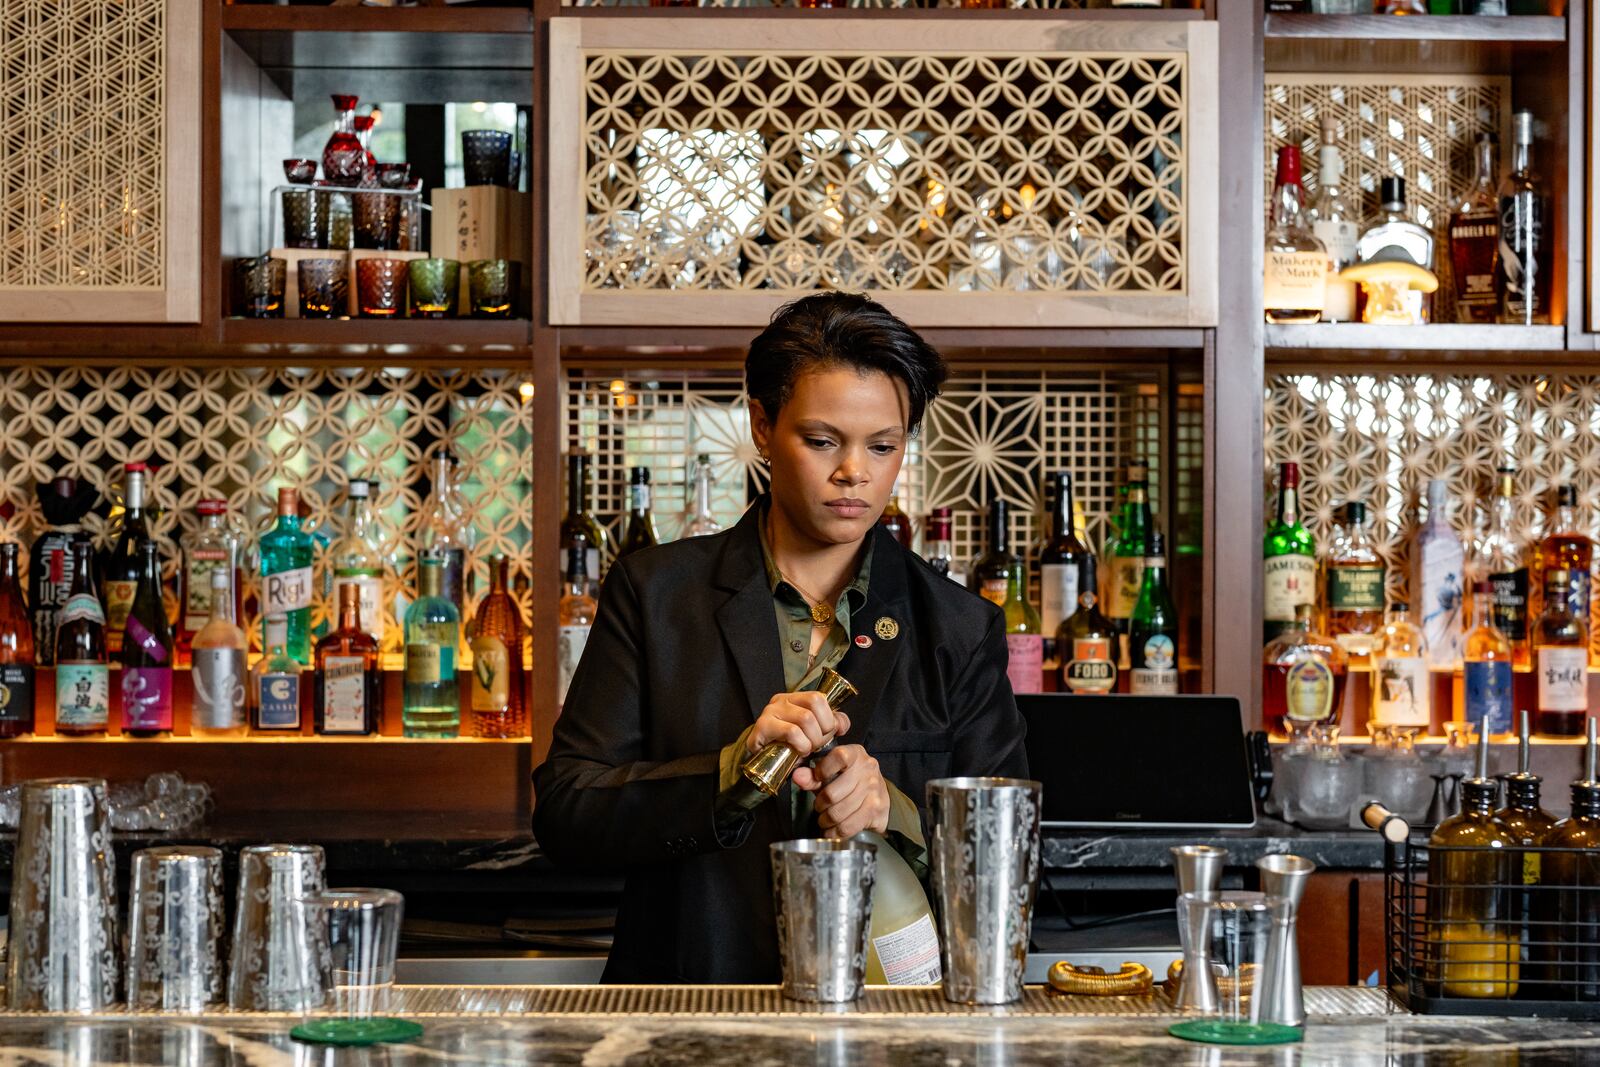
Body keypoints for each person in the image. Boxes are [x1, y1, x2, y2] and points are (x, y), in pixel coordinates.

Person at [533, 292, 1028, 983]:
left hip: (889, 1031)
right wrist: (730, 773)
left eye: (883, 445)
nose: (854, 470)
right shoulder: (657, 594)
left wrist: (897, 810)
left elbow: (1008, 860)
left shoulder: (960, 626)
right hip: (694, 1014)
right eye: (823, 440)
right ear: (763, 427)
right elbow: (566, 814)